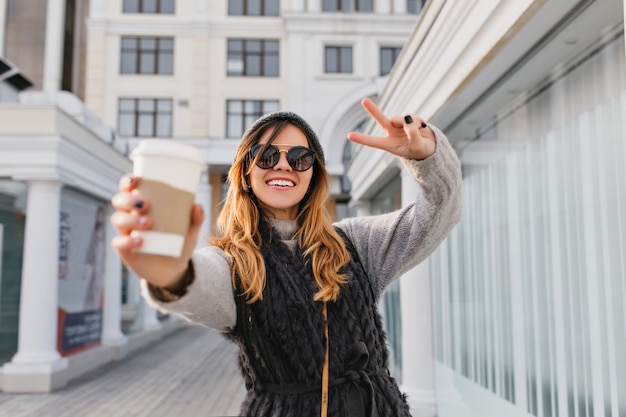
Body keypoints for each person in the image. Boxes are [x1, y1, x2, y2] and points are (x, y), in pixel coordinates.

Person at [110, 98, 462, 417]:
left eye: (299, 157)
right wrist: (170, 272)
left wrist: (427, 157)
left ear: (313, 174)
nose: (283, 166)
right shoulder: (234, 262)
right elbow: (196, 281)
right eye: (266, 155)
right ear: (245, 171)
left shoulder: (355, 244)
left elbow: (440, 211)